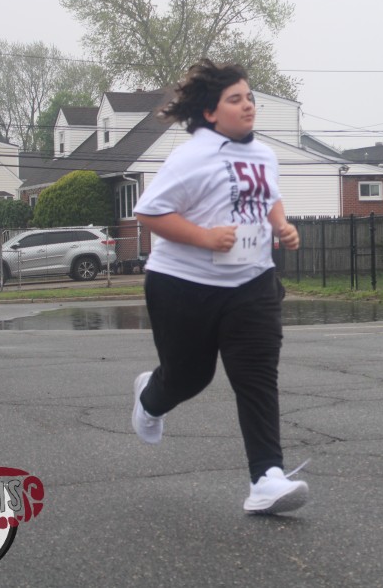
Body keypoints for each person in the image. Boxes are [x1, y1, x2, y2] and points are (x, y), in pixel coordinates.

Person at [131, 59, 307, 515]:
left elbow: (268, 196)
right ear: (210, 112)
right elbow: (149, 212)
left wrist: (282, 225)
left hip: (252, 282)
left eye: (250, 98)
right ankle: (151, 396)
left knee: (257, 377)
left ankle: (266, 478)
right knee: (190, 377)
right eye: (235, 99)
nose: (248, 105)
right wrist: (205, 237)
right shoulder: (191, 156)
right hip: (183, 284)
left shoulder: (264, 155)